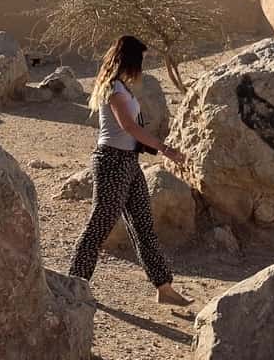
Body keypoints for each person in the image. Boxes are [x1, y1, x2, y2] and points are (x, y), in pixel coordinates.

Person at [66, 34, 191, 306]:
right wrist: (165, 149)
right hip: (112, 162)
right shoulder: (113, 87)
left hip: (129, 163)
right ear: (131, 59)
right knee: (99, 225)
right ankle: (74, 283)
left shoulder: (122, 86)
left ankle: (164, 287)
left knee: (143, 225)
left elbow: (134, 131)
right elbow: (130, 128)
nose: (142, 67)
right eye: (141, 60)